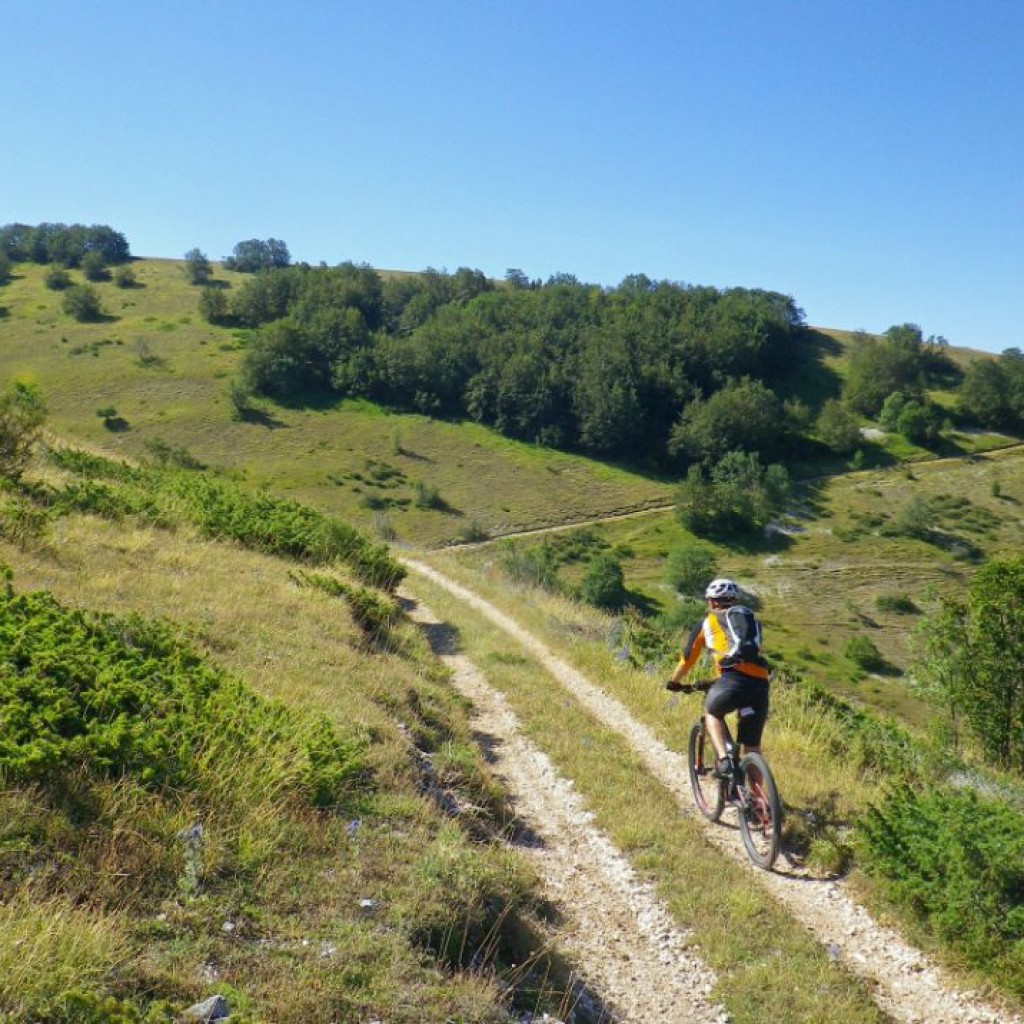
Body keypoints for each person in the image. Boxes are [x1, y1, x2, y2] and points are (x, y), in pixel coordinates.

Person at [666, 578, 770, 786]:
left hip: (732, 680)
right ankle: (760, 804)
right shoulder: (750, 622)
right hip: (760, 684)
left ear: (712, 602)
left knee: (712, 712)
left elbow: (688, 659)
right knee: (751, 747)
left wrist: (674, 682)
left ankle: (723, 761)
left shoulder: (708, 622)